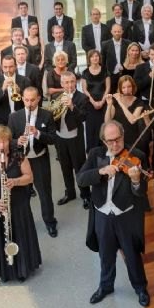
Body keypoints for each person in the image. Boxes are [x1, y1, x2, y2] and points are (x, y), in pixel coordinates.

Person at [76, 120, 150, 307]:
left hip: (126, 215)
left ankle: (140, 287)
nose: (115, 145)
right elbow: (81, 179)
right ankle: (106, 286)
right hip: (102, 214)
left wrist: (135, 181)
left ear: (123, 136)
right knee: (105, 254)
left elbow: (141, 192)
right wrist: (100, 171)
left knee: (132, 255)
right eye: (110, 141)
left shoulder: (137, 155)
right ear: (104, 140)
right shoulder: (96, 154)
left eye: (118, 139)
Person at [0, 125, 41, 282]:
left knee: (20, 234)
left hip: (19, 206)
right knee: (1, 237)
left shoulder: (19, 157)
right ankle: (6, 271)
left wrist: (15, 181)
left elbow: (30, 177)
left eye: (5, 141)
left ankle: (23, 269)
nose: (2, 145)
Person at [8, 86, 58, 237]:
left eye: (32, 100)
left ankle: (50, 222)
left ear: (38, 99)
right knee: (20, 194)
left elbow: (53, 139)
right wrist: (17, 141)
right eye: (26, 100)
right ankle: (22, 224)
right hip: (21, 161)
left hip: (39, 158)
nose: (29, 103)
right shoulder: (14, 117)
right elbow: (9, 140)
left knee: (44, 193)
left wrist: (37, 133)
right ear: (22, 99)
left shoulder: (47, 115)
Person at [54, 71, 91, 209]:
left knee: (79, 167)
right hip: (60, 138)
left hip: (75, 138)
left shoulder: (81, 98)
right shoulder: (57, 97)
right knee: (65, 167)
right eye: (66, 82)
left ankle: (86, 195)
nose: (69, 84)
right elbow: (53, 117)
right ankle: (70, 193)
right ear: (62, 83)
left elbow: (83, 117)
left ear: (75, 82)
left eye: (72, 81)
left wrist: (71, 106)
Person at [104, 75, 147, 153]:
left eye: (129, 87)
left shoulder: (139, 102)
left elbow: (132, 120)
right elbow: (107, 121)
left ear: (133, 87)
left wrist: (120, 102)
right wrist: (109, 105)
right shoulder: (115, 101)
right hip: (118, 139)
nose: (126, 90)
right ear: (120, 89)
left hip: (134, 139)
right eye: (123, 88)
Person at [0, 56, 31, 126]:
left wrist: (20, 91)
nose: (8, 70)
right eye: (5, 67)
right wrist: (2, 89)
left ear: (15, 66)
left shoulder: (25, 80)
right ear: (1, 67)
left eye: (11, 67)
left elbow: (30, 102)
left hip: (21, 118)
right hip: (2, 120)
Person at [81, 49, 110, 151]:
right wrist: (93, 102)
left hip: (103, 102)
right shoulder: (84, 72)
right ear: (89, 59)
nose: (95, 58)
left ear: (99, 58)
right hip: (90, 103)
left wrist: (102, 101)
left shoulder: (105, 70)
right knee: (91, 128)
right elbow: (84, 89)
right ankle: (92, 151)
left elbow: (108, 88)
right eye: (92, 56)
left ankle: (104, 149)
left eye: (96, 56)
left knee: (103, 126)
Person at [101, 23, 131, 92]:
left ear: (122, 32)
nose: (117, 33)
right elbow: (102, 61)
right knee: (112, 92)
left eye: (119, 31)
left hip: (125, 72)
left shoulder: (128, 43)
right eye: (115, 31)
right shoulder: (105, 44)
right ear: (111, 32)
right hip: (111, 73)